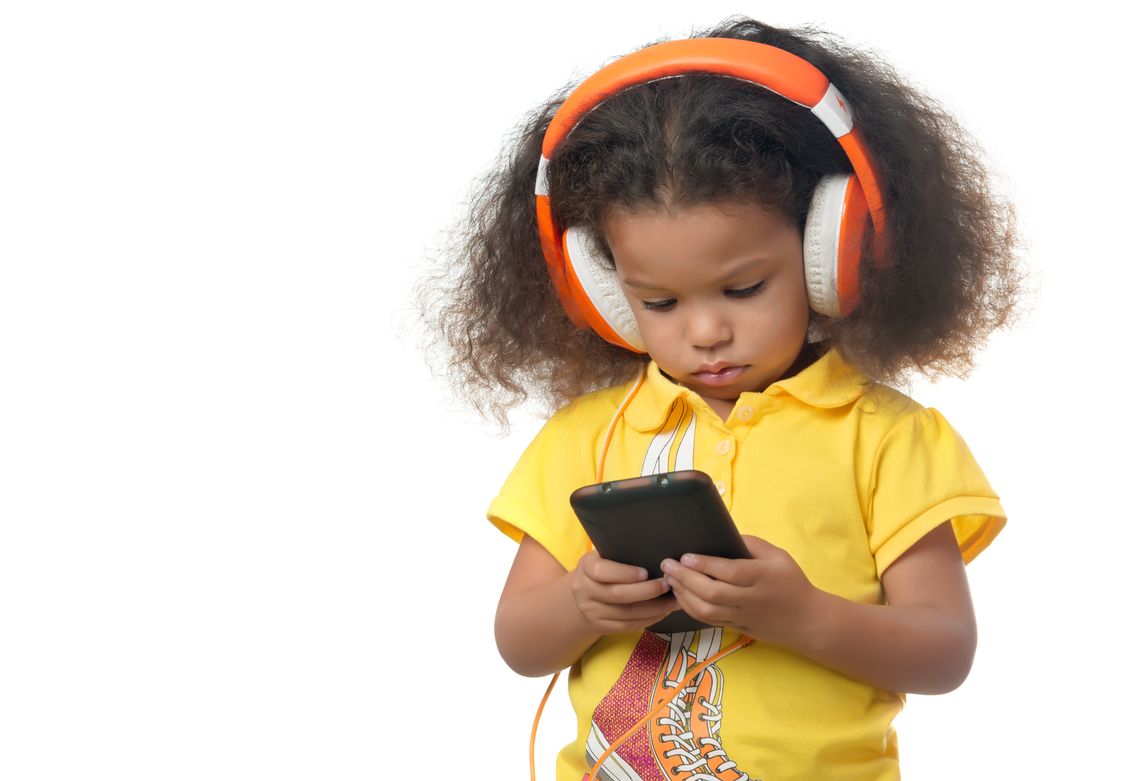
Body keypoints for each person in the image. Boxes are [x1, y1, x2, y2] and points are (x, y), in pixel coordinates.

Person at [419, 17, 1023, 781]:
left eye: (742, 288)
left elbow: (944, 651)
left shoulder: (890, 438)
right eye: (658, 302)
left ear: (830, 251)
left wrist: (804, 616)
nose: (705, 330)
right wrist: (582, 604)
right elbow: (518, 641)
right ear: (605, 291)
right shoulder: (584, 437)